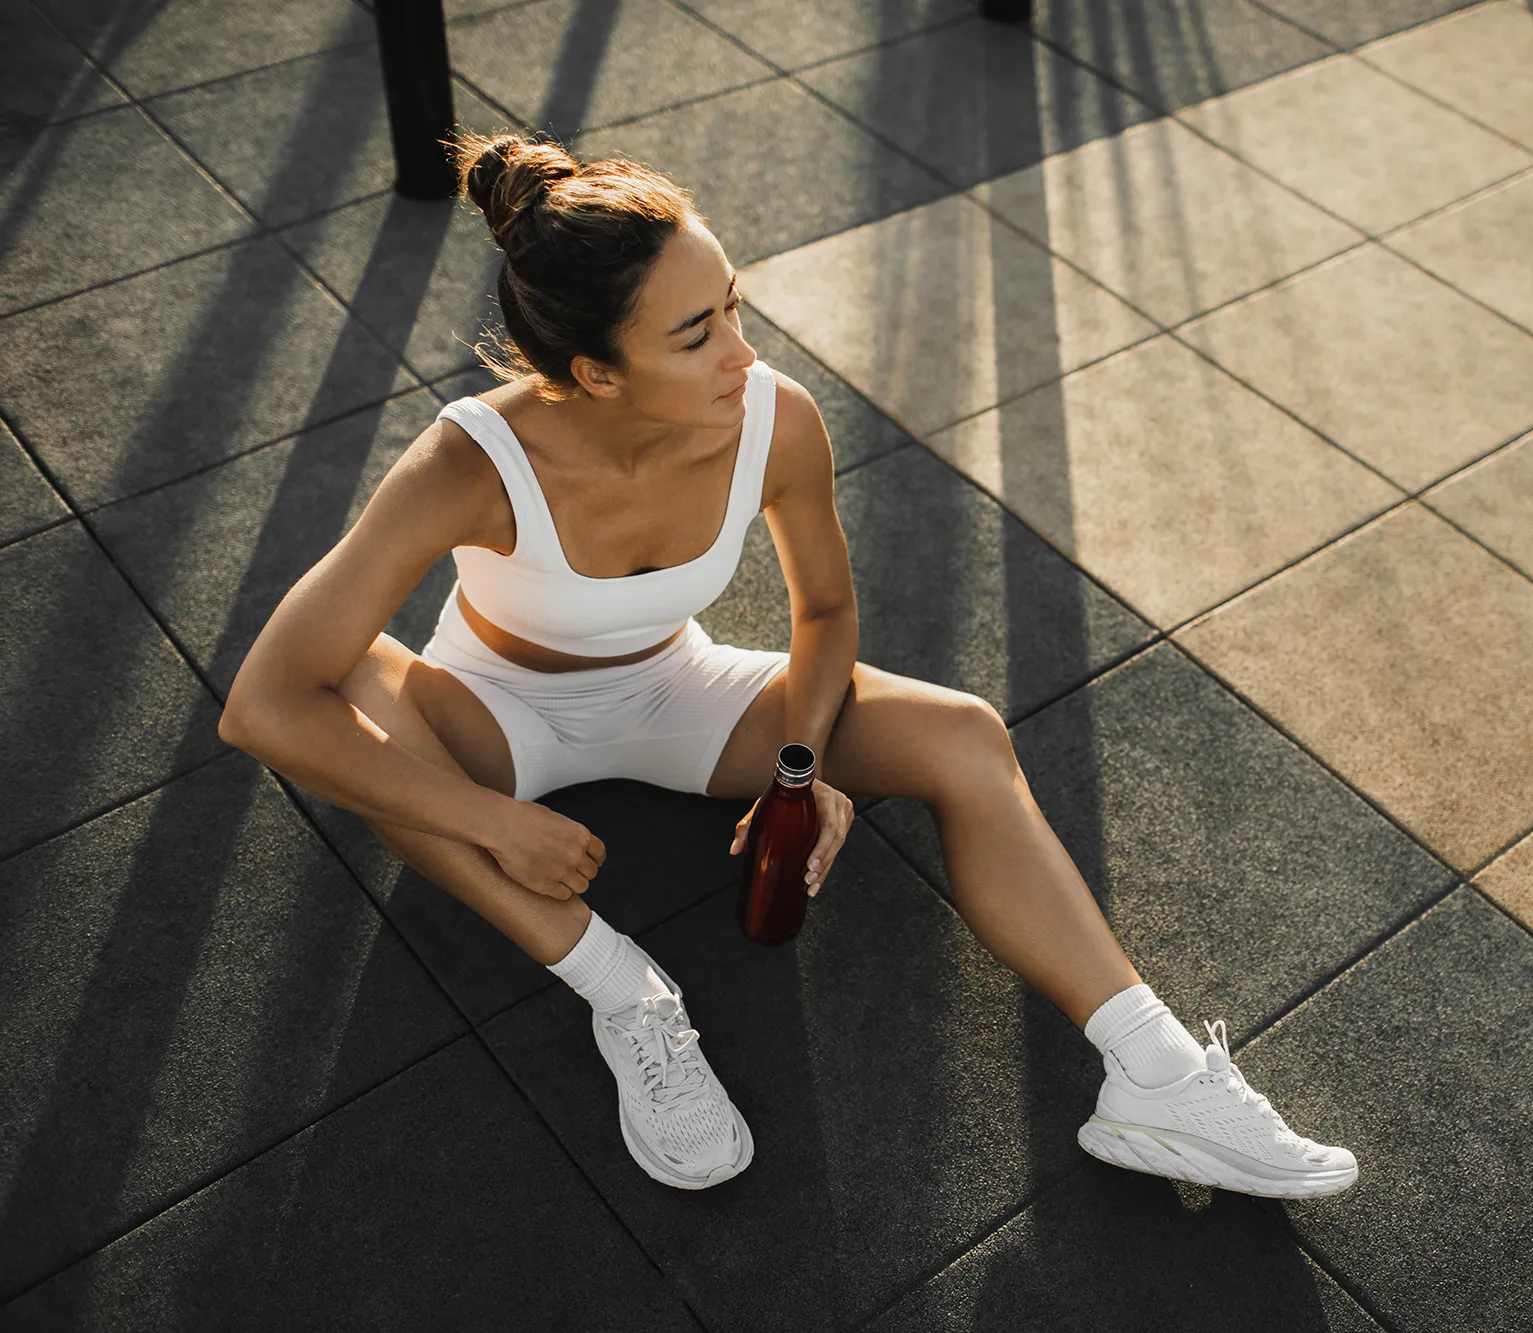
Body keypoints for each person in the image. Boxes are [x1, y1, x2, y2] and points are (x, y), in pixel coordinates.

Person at [218, 131, 1357, 1200]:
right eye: (694, 334)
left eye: (731, 307)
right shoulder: (469, 461)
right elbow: (261, 707)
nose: (741, 351)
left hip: (674, 689)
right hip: (492, 712)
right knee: (355, 700)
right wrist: (488, 816)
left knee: (963, 731)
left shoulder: (777, 420)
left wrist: (800, 768)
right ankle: (626, 991)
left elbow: (823, 608)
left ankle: (1153, 1077)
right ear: (595, 372)